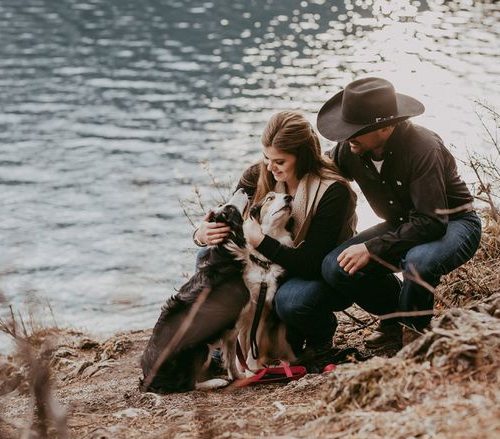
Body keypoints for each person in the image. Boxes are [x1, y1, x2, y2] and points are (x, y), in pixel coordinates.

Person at [318, 77, 482, 355]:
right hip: (403, 225)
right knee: (335, 266)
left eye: (356, 130)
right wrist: (255, 184)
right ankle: (394, 318)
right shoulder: (352, 148)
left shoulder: (423, 148)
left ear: (386, 127)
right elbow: (317, 168)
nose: (346, 138)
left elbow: (431, 222)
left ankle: (415, 334)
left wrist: (371, 249)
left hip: (454, 224)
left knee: (418, 261)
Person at [194, 110, 357, 356]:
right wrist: (202, 233)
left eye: (279, 161)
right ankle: (221, 341)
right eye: (266, 157)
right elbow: (228, 220)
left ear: (303, 157)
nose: (270, 167)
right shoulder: (257, 175)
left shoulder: (332, 191)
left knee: (292, 301)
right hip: (271, 266)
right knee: (206, 256)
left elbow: (313, 264)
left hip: (315, 274)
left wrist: (260, 241)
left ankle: (320, 332)